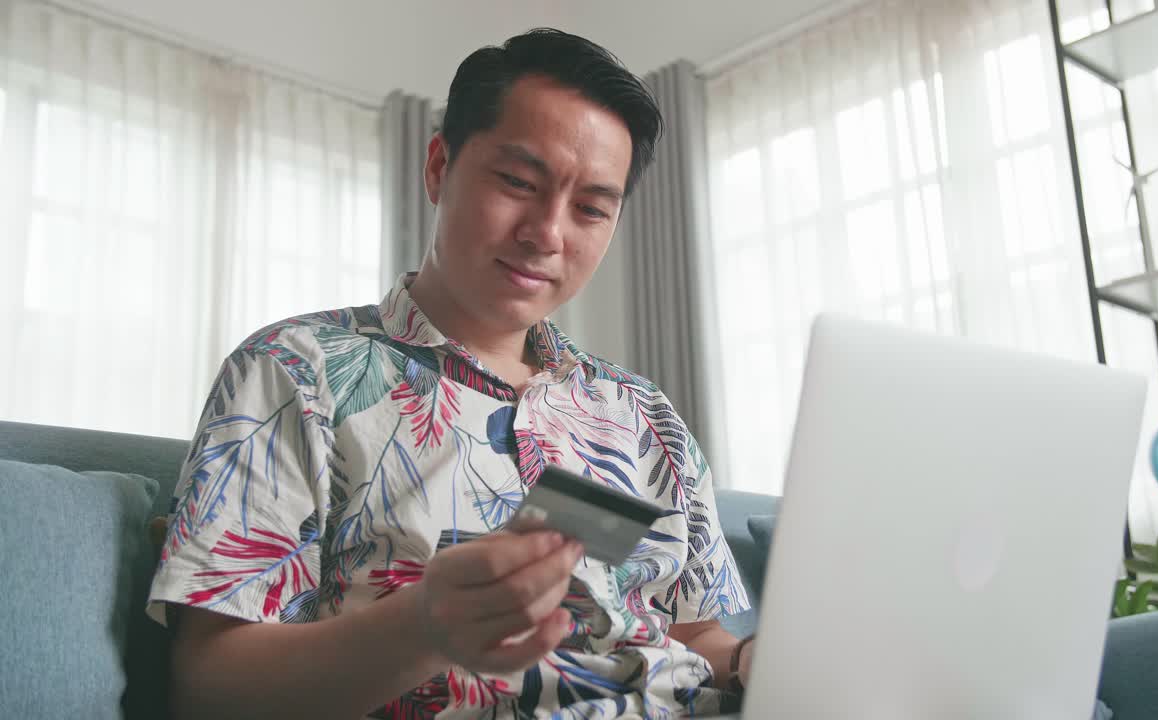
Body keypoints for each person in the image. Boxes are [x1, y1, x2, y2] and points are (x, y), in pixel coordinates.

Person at [149, 28, 753, 719]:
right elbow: (206, 687)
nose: (548, 232)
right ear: (439, 166)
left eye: (590, 208)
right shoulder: (295, 372)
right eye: (519, 183)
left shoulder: (645, 416)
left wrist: (750, 661)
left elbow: (694, 633)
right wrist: (422, 629)